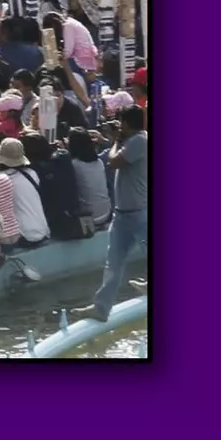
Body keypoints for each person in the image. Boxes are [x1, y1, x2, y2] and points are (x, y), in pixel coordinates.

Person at [78, 104, 146, 321]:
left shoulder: (139, 140)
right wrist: (116, 140)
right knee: (113, 262)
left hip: (139, 213)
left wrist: (116, 140)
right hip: (123, 213)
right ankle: (101, 307)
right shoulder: (133, 141)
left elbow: (114, 161)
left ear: (126, 123)